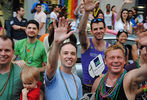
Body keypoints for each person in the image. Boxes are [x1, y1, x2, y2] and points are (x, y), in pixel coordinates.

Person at [45, 17, 83, 100]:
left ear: (76, 57)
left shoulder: (77, 80)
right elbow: (51, 65)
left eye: (72, 54)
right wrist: (56, 43)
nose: (69, 56)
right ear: (59, 56)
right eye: (65, 53)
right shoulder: (53, 74)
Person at [78, 0, 110, 93]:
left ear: (105, 30)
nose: (98, 31)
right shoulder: (87, 44)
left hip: (104, 89)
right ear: (91, 31)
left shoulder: (110, 48)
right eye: (95, 29)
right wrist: (87, 12)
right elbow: (81, 32)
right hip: (87, 89)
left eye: (101, 28)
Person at [0, 35, 23, 100]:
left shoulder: (21, 74)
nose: (3, 54)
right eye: (0, 50)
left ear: (13, 52)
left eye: (7, 50)